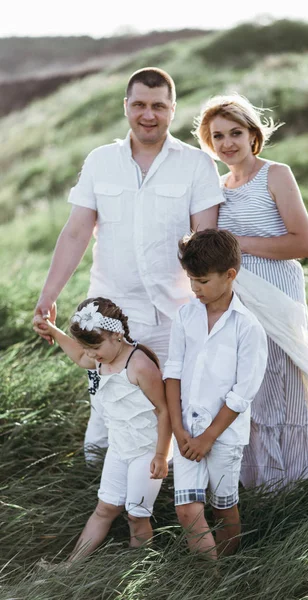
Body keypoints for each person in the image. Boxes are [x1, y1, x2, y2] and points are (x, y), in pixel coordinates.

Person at [33, 67, 224, 460]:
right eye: (139, 105)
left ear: (173, 109)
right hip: (107, 316)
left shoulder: (198, 165)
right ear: (126, 107)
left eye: (158, 106)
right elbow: (75, 234)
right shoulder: (100, 161)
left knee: (175, 414)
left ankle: (166, 497)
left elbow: (206, 245)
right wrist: (48, 295)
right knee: (106, 414)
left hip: (175, 314)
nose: (148, 114)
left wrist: (209, 312)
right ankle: (103, 493)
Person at [193, 94, 308, 490]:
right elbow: (204, 245)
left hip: (277, 292)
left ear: (252, 135)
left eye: (236, 132)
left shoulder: (275, 174)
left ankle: (298, 478)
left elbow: (304, 244)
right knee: (251, 384)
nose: (228, 143)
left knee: (283, 378)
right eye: (218, 136)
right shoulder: (216, 188)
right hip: (237, 297)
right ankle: (260, 482)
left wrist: (238, 243)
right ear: (208, 143)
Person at [36, 297, 171, 561]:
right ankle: (70, 567)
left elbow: (163, 411)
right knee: (105, 508)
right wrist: (52, 329)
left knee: (136, 515)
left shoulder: (139, 364)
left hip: (146, 450)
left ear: (116, 334)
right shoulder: (99, 358)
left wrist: (160, 455)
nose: (90, 354)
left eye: (94, 347)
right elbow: (77, 355)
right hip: (119, 446)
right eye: (87, 349)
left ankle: (138, 572)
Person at [163, 229, 268, 559]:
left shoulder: (247, 327)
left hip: (222, 436)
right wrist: (178, 430)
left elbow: (242, 393)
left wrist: (208, 437)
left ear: (230, 275)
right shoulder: (185, 316)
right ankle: (210, 578)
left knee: (224, 510)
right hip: (185, 433)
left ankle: (226, 572)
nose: (195, 289)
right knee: (186, 511)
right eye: (191, 280)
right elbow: (173, 372)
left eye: (203, 281)